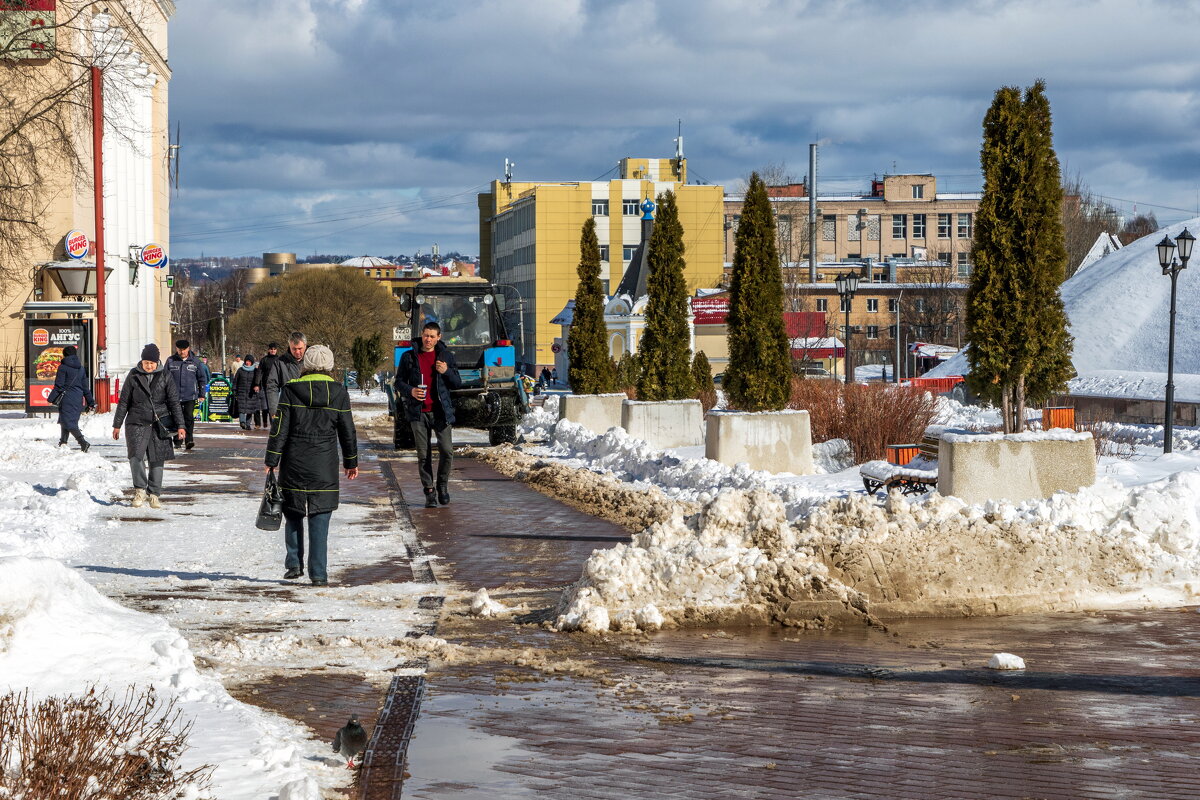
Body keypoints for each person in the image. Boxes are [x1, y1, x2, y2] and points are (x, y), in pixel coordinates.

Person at [264, 345, 358, 585]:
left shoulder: (291, 390)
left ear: (305, 364)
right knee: (320, 516)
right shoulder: (338, 392)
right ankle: (318, 573)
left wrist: (271, 460)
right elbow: (348, 430)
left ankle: (294, 563)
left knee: (293, 512)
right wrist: (351, 461)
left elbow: (280, 428)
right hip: (324, 463)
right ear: (330, 365)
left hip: (294, 460)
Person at [394, 322, 461, 508]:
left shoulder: (446, 356)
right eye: (426, 335)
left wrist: (446, 371)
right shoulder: (409, 357)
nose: (428, 339)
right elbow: (398, 382)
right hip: (419, 412)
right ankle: (429, 491)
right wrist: (411, 391)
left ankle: (442, 485)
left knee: (447, 451)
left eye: (432, 336)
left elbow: (457, 383)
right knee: (424, 455)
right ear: (421, 335)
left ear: (439, 337)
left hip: (440, 412)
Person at [112, 344, 186, 509]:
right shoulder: (134, 375)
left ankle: (154, 494)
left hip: (159, 422)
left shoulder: (166, 375)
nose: (149, 366)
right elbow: (124, 401)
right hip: (136, 421)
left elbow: (174, 402)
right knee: (135, 457)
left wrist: (181, 425)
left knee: (157, 459)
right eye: (146, 362)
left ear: (157, 361)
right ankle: (139, 490)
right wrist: (117, 424)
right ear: (142, 361)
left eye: (152, 363)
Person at [165, 338, 209, 450]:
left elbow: (202, 379)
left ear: (188, 349)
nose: (182, 352)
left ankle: (189, 440)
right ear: (176, 349)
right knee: (175, 417)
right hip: (174, 396)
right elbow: (164, 378)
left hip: (190, 395)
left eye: (184, 350)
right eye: (180, 350)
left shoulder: (195, 361)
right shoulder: (171, 361)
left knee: (188, 417)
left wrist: (202, 394)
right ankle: (177, 441)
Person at [53, 344, 95, 451]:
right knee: (65, 420)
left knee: (69, 423)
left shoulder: (62, 368)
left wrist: (51, 398)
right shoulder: (80, 369)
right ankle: (63, 442)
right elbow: (85, 387)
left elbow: (59, 385)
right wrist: (90, 401)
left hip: (66, 398)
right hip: (78, 399)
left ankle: (83, 442)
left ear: (64, 355)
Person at [264, 332, 307, 421]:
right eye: (294, 349)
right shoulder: (280, 362)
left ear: (305, 346)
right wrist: (274, 409)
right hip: (288, 409)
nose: (297, 352)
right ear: (289, 346)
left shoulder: (312, 360)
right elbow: (272, 385)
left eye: (300, 348)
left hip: (308, 409)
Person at [232, 354, 262, 430]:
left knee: (250, 409)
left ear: (252, 362)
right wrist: (234, 390)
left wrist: (258, 387)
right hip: (241, 392)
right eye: (246, 361)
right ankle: (242, 422)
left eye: (249, 361)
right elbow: (235, 381)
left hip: (251, 393)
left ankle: (248, 424)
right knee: (241, 408)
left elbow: (258, 381)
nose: (247, 363)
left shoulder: (255, 371)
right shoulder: (240, 370)